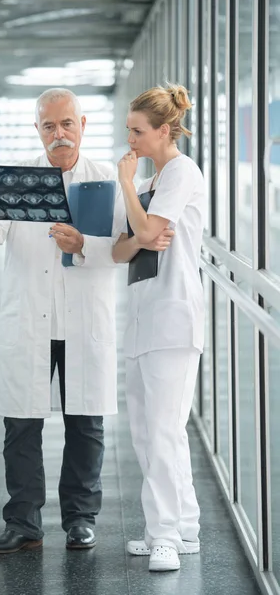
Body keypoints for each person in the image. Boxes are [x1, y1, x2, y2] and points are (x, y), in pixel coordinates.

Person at [0, 88, 172, 554]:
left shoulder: (107, 179)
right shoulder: (15, 179)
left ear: (82, 125)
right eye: (48, 126)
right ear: (37, 130)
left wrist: (83, 246)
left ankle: (80, 519)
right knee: (20, 425)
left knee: (86, 424)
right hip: (29, 320)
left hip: (83, 322)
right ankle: (23, 523)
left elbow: (127, 246)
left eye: (66, 124)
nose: (58, 134)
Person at [112, 84, 205, 572]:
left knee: (164, 431)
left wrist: (128, 189)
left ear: (164, 130)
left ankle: (164, 535)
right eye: (128, 130)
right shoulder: (151, 185)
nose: (130, 140)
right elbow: (120, 248)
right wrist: (140, 229)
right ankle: (182, 527)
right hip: (143, 316)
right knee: (151, 432)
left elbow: (144, 233)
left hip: (172, 315)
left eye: (137, 131)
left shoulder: (180, 172)